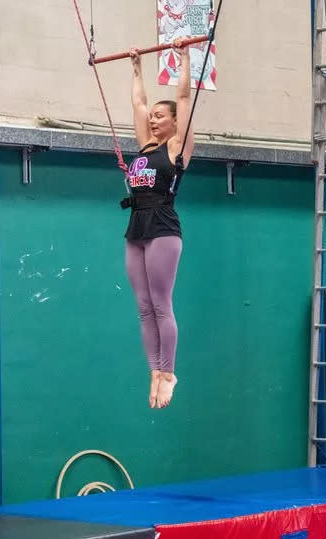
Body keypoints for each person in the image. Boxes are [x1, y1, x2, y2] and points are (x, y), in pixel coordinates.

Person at [124, 39, 194, 409]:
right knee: (143, 305)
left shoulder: (175, 148)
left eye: (159, 116)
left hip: (164, 227)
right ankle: (154, 369)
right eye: (152, 116)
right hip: (136, 226)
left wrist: (184, 58)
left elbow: (184, 101)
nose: (153, 119)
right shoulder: (146, 146)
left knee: (162, 304)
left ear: (174, 124)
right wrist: (137, 68)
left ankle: (169, 372)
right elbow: (137, 103)